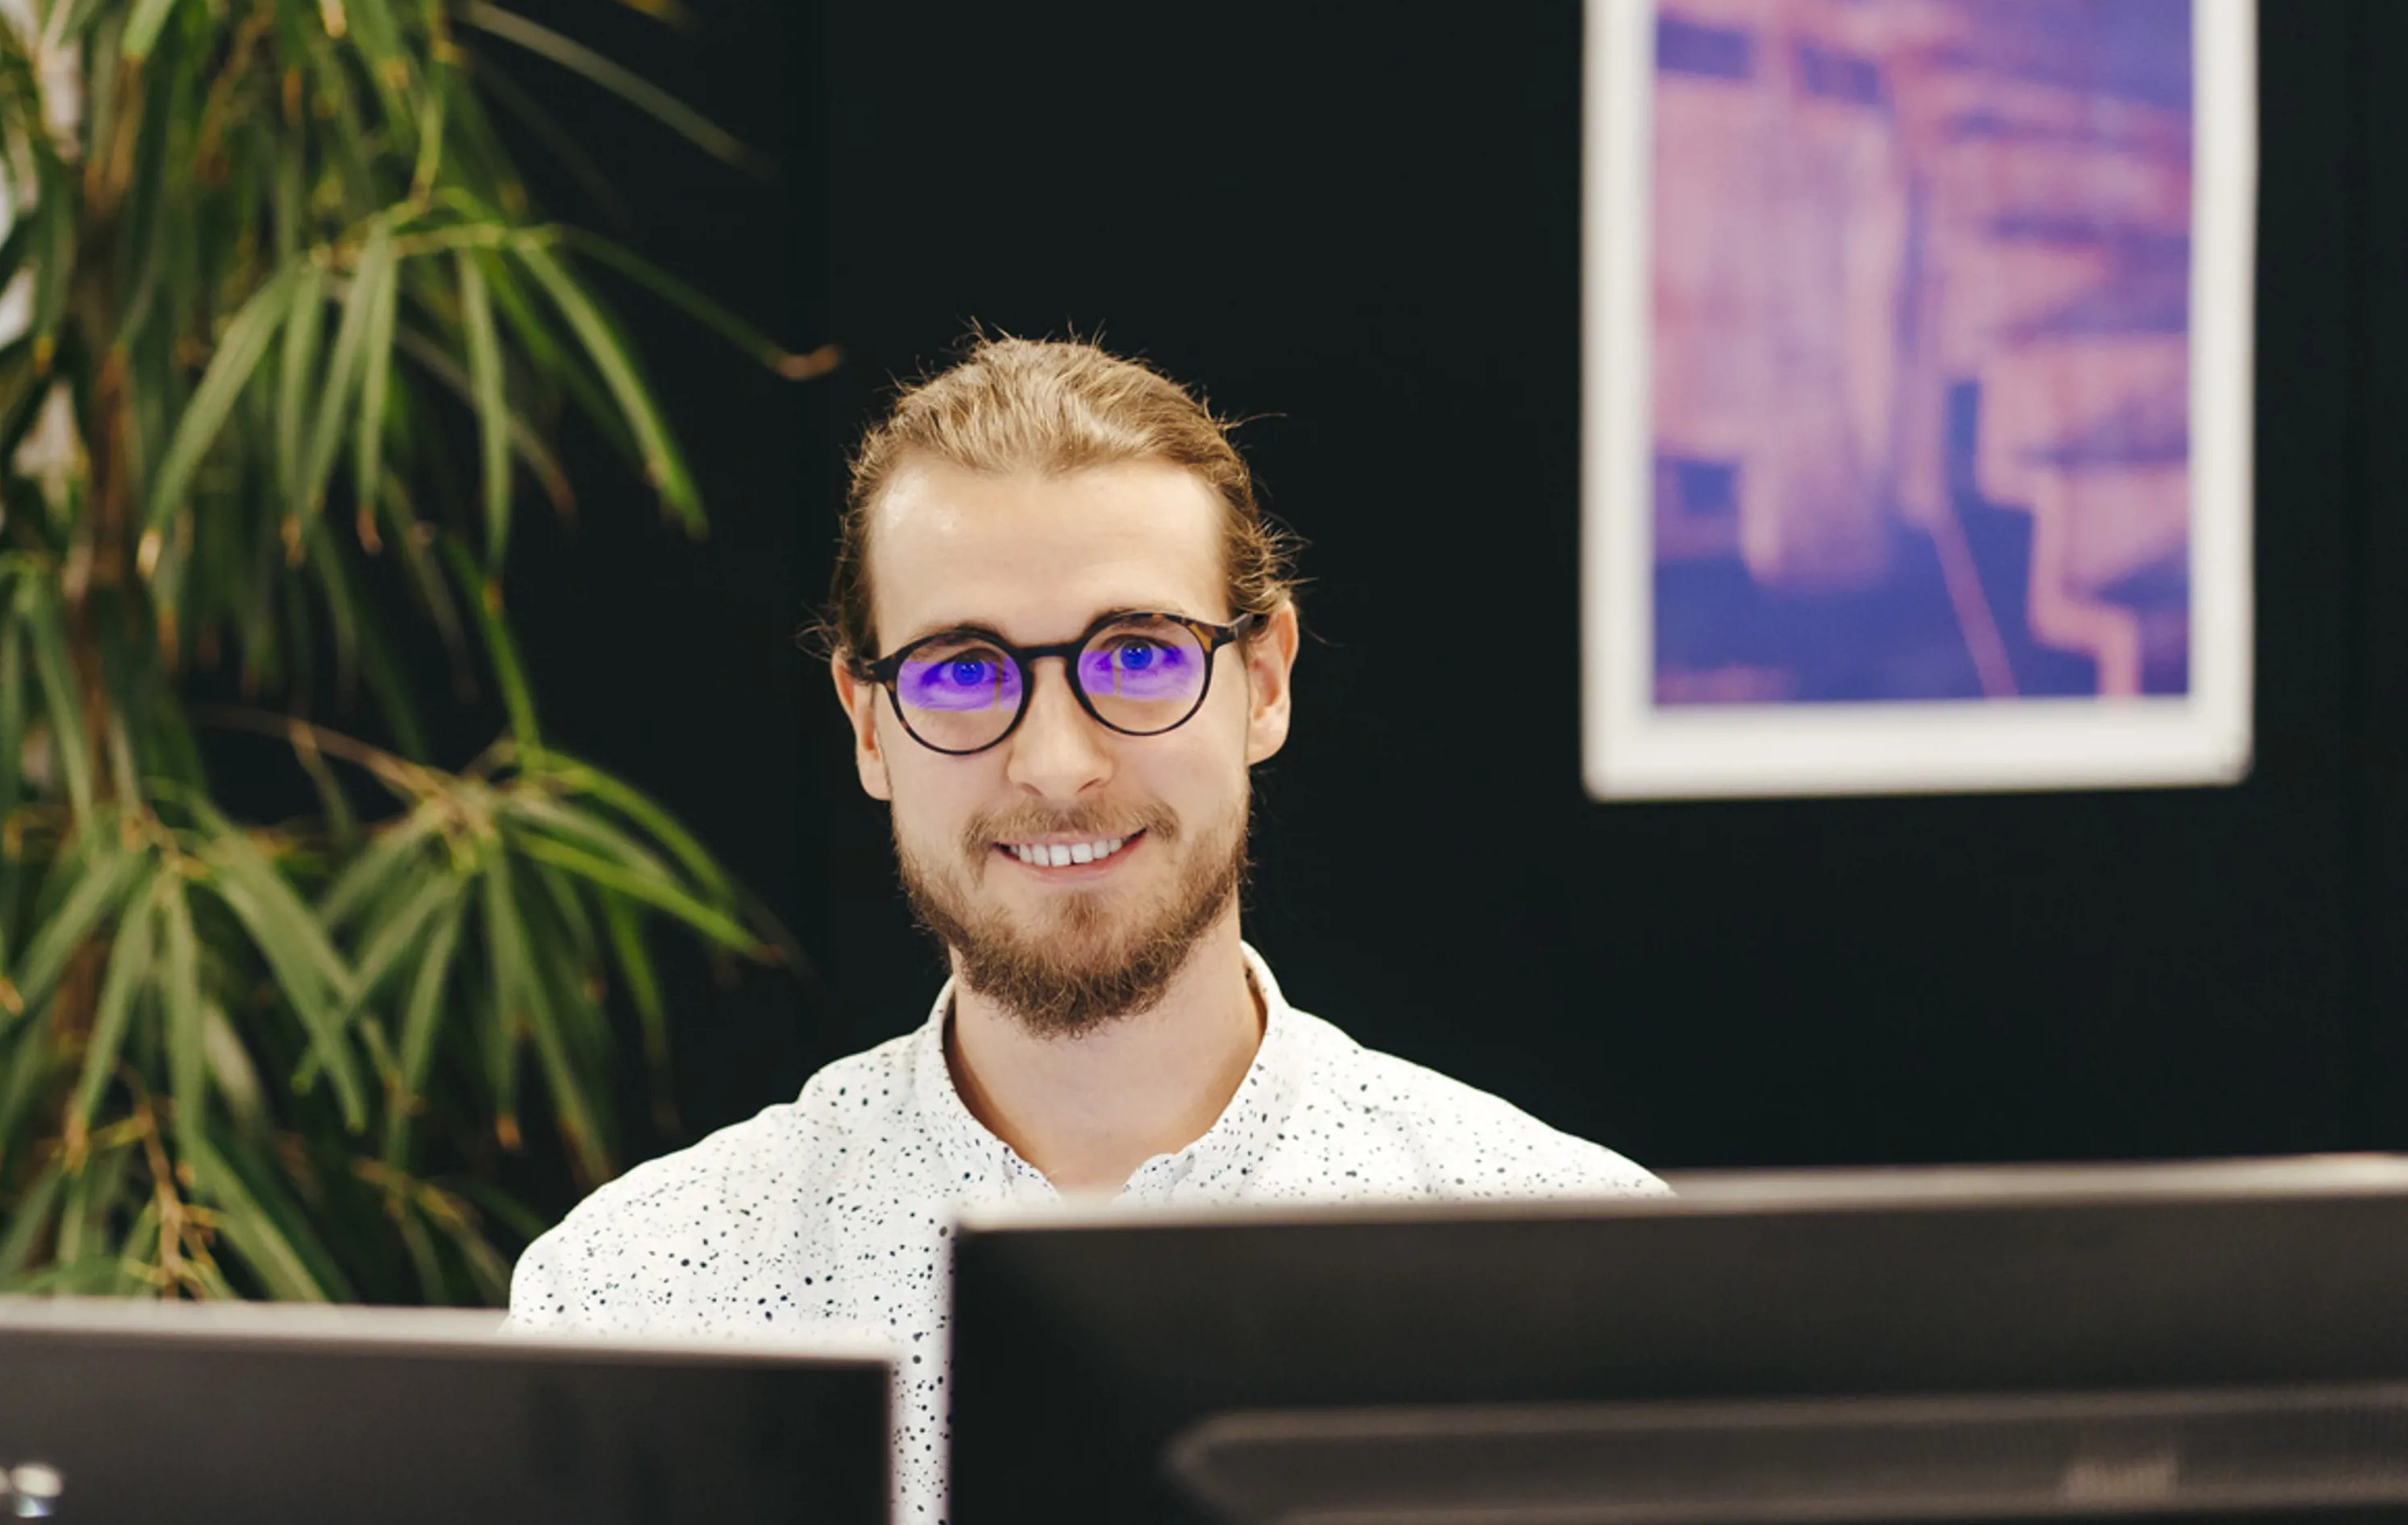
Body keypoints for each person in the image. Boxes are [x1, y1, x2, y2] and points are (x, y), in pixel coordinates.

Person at [507, 336, 1662, 1520]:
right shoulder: (637, 1297)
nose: (1058, 765)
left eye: (1141, 655)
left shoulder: (1586, 1274)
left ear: (1264, 683)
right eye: (963, 673)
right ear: (867, 726)